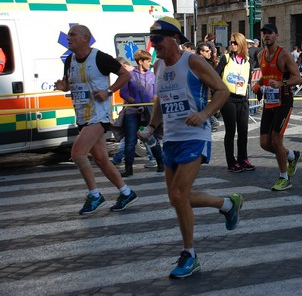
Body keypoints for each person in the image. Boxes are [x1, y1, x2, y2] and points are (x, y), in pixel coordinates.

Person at [137, 17, 242, 279]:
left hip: (195, 136)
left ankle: (189, 254)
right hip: (170, 138)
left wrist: (205, 113)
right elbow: (161, 98)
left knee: (179, 192)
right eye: (152, 40)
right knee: (176, 198)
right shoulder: (160, 65)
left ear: (173, 38)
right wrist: (152, 126)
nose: (153, 45)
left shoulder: (192, 61)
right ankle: (227, 204)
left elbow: (221, 90)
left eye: (157, 40)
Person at [53, 24, 138, 215]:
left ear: (85, 38)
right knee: (100, 159)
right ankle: (126, 192)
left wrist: (108, 91)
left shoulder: (100, 57)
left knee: (77, 154)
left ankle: (94, 195)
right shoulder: (69, 60)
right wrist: (63, 86)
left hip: (99, 116)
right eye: (68, 35)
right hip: (82, 115)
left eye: (73, 35)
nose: (69, 38)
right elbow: (69, 84)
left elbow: (126, 75)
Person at [253, 23, 302, 191]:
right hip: (269, 101)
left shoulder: (284, 55)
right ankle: (291, 155)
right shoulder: (260, 55)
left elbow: (298, 78)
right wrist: (258, 85)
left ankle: (284, 178)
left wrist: (281, 83)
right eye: (264, 33)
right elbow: (265, 77)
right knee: (265, 143)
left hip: (284, 101)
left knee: (276, 140)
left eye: (270, 33)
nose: (266, 36)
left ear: (276, 35)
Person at [118, 49, 163, 176]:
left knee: (151, 137)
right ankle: (128, 168)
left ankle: (160, 163)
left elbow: (156, 93)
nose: (150, 63)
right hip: (132, 111)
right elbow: (123, 93)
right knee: (130, 139)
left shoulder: (152, 76)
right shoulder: (129, 75)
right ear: (140, 61)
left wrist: (151, 104)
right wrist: (135, 102)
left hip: (148, 111)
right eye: (148, 61)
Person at [216, 32, 255, 172]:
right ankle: (231, 162)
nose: (232, 45)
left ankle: (243, 159)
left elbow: (249, 79)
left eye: (235, 43)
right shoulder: (225, 58)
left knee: (243, 131)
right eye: (231, 42)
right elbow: (215, 76)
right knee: (231, 131)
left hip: (243, 99)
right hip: (228, 99)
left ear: (241, 44)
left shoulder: (248, 60)